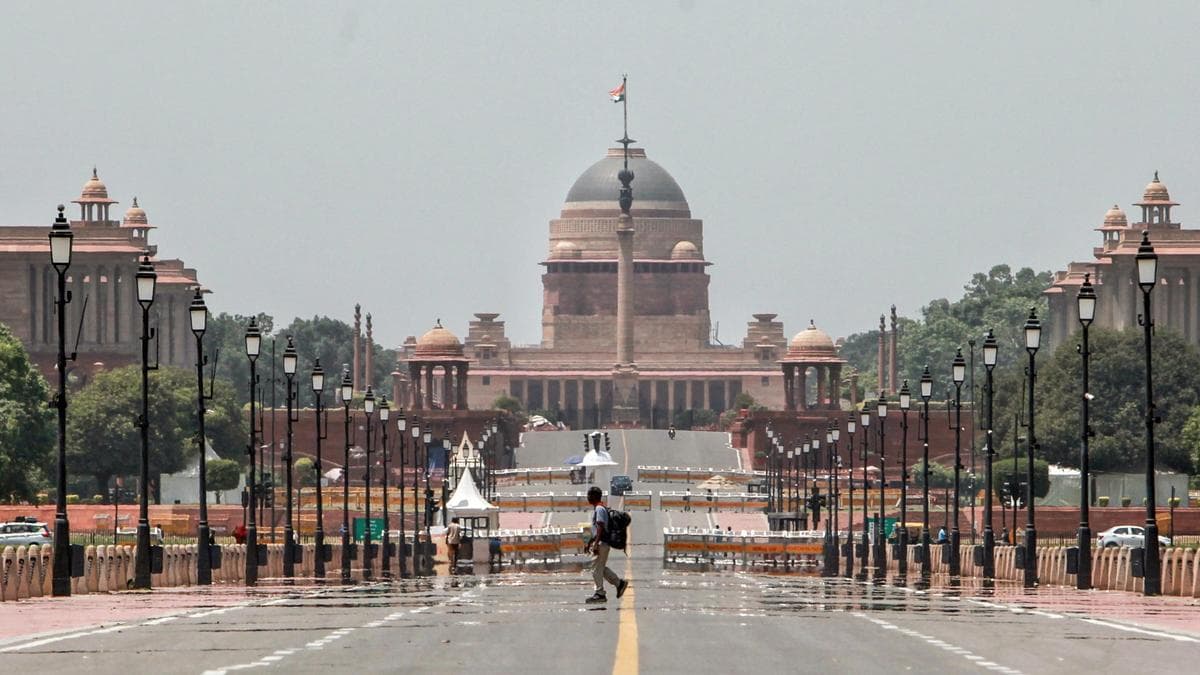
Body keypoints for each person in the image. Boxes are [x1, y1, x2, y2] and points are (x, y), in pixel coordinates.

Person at [585, 486, 628, 603]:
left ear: (594, 496)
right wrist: (590, 542)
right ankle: (619, 584)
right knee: (601, 568)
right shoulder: (600, 508)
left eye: (589, 495)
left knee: (595, 569)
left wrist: (596, 544)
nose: (587, 497)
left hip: (602, 543)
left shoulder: (599, 509)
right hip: (601, 542)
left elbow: (600, 527)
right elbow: (597, 529)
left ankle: (600, 593)